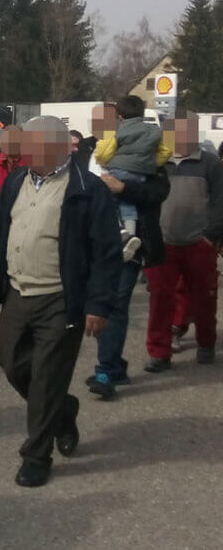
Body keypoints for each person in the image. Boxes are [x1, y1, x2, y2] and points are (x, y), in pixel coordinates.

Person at [0, 115, 121, 487]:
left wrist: (98, 305)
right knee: (10, 363)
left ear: (58, 147)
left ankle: (36, 457)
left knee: (45, 379)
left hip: (61, 298)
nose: (24, 150)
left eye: (31, 144)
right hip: (17, 293)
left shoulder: (87, 189)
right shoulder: (15, 182)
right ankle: (63, 410)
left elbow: (106, 253)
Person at [144, 111, 223, 371]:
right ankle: (159, 353)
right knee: (160, 301)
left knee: (204, 299)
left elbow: (220, 202)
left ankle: (206, 344)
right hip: (163, 243)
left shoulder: (211, 164)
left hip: (199, 244)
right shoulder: (156, 164)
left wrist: (210, 236)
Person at [85, 165, 169, 398]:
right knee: (103, 305)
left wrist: (123, 187)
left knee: (114, 306)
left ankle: (106, 371)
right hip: (94, 243)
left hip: (131, 247)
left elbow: (158, 193)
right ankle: (115, 366)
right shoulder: (89, 153)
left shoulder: (148, 159)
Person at [93, 95, 172, 260]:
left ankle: (123, 233)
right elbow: (166, 152)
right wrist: (150, 163)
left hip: (120, 171)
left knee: (109, 202)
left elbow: (105, 153)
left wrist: (102, 160)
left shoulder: (117, 133)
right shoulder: (154, 131)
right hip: (142, 174)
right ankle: (129, 237)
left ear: (119, 116)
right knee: (127, 206)